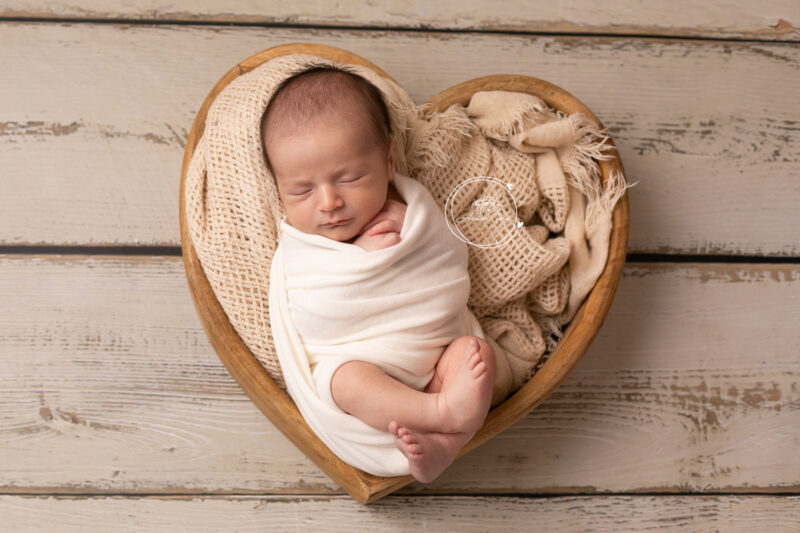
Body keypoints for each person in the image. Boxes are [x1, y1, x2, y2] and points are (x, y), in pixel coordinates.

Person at [261, 64, 495, 483]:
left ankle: (448, 441)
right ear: (278, 190)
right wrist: (360, 258)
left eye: (349, 178)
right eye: (302, 190)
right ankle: (439, 415)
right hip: (367, 371)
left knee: (474, 354)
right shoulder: (299, 251)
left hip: (432, 358)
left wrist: (411, 234)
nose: (329, 202)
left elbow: (449, 265)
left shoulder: (415, 212)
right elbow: (313, 313)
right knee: (338, 378)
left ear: (388, 160)